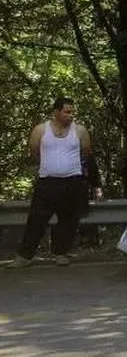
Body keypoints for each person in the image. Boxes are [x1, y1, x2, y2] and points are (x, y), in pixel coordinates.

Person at [9, 97, 104, 268]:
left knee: (68, 219)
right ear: (56, 112)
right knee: (36, 219)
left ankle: (60, 253)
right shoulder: (41, 130)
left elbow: (86, 154)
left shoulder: (80, 130)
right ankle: (24, 256)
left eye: (72, 112)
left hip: (72, 181)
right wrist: (51, 165)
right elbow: (34, 151)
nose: (71, 115)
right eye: (67, 111)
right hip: (47, 181)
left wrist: (92, 183)